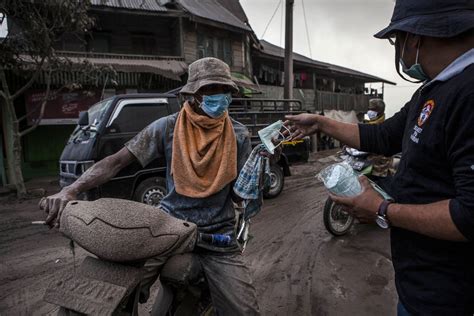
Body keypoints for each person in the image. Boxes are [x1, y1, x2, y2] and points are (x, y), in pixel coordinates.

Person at [285, 1, 474, 315]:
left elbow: (469, 214)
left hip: (450, 297)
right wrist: (320, 122)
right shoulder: (432, 90)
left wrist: (382, 208)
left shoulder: (468, 94)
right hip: (420, 287)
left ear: (413, 38)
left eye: (395, 40)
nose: (397, 50)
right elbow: (384, 137)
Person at [40, 57, 262, 315]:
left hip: (217, 237)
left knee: (245, 311)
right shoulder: (168, 128)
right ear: (192, 95)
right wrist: (71, 190)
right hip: (166, 228)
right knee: (111, 289)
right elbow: (115, 162)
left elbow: (237, 196)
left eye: (223, 90)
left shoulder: (239, 135)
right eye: (208, 90)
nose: (218, 96)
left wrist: (256, 174)